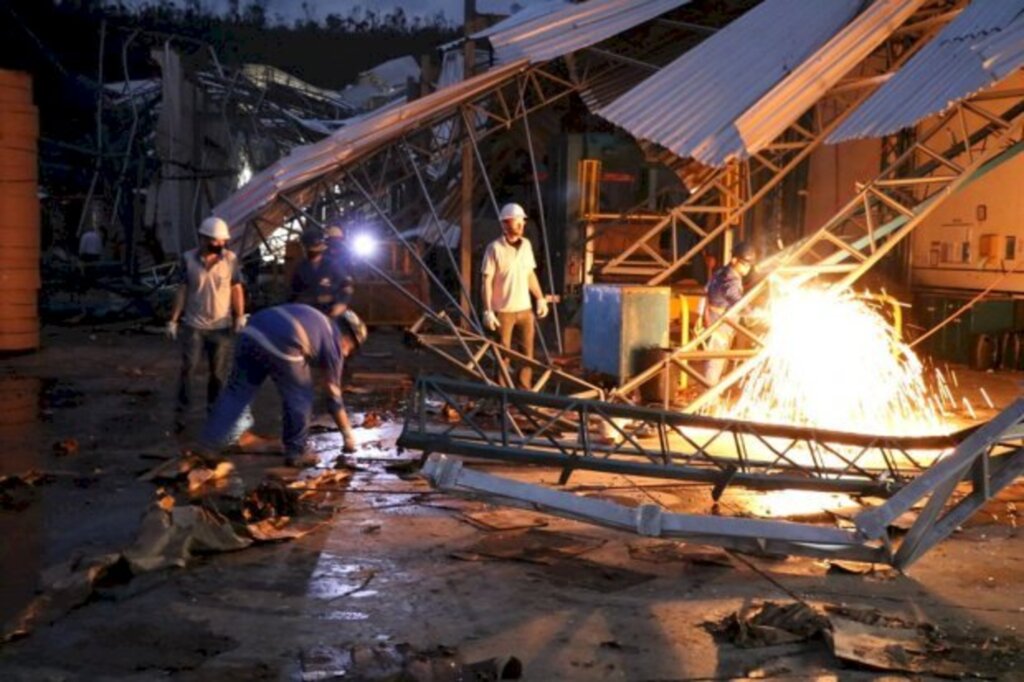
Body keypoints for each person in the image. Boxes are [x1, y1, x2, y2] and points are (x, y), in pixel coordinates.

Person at [198, 306, 367, 468]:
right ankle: (296, 452)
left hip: (250, 333)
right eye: (351, 348)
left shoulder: (320, 321)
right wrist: (348, 436)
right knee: (301, 395)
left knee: (237, 393)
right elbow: (333, 394)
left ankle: (208, 444)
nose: (347, 353)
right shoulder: (334, 341)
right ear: (348, 338)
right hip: (285, 339)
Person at [167, 216, 246, 433]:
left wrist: (239, 316)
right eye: (216, 241)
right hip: (194, 325)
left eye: (223, 242)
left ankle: (215, 412)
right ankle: (182, 414)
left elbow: (236, 288)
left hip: (221, 327)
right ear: (204, 239)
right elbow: (182, 290)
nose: (220, 245)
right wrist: (174, 319)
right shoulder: (188, 259)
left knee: (218, 374)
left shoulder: (230, 260)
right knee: (188, 371)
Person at [481, 202, 549, 389]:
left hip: (525, 310)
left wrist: (540, 298)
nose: (521, 225)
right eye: (517, 222)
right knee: (503, 356)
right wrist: (488, 311)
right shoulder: (494, 248)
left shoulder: (526, 245)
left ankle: (523, 391)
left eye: (522, 222)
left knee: (527, 356)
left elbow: (529, 274)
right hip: (503, 311)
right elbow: (486, 282)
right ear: (505, 223)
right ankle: (502, 393)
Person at [703, 241, 756, 385]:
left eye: (749, 265)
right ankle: (707, 401)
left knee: (717, 362)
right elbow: (737, 300)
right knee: (714, 363)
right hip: (719, 324)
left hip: (717, 321)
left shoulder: (722, 271)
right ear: (734, 260)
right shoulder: (730, 278)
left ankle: (710, 396)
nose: (747, 268)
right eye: (745, 264)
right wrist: (755, 314)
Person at [289, 226, 354, 319]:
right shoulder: (301, 268)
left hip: (331, 312)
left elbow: (347, 286)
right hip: (308, 313)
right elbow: (294, 293)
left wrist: (342, 303)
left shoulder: (333, 265)